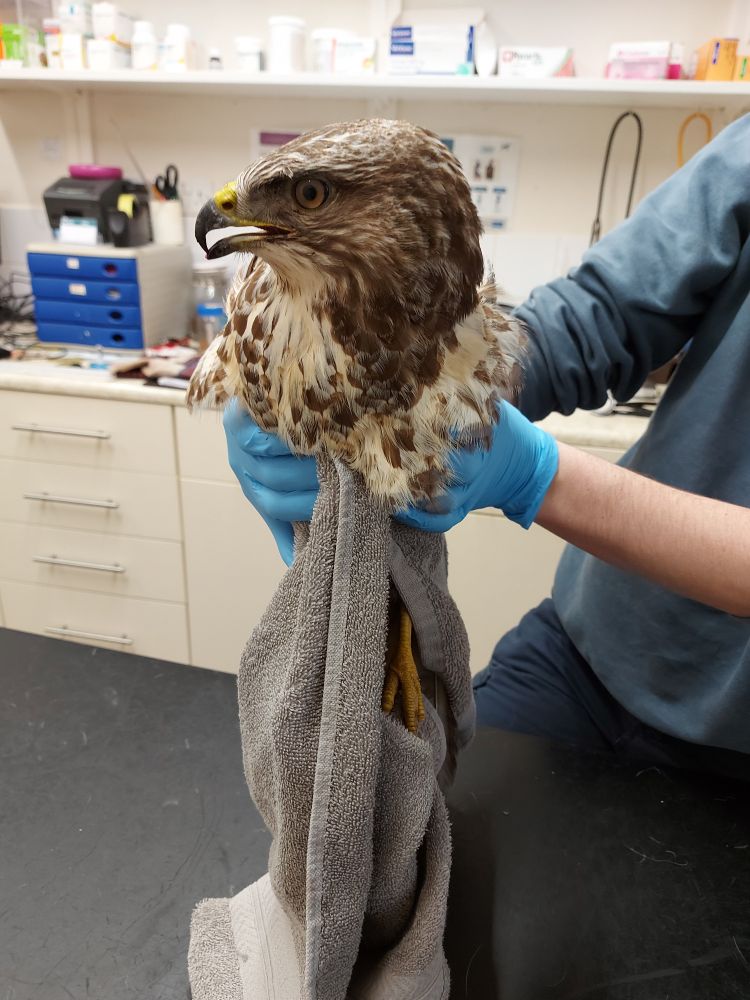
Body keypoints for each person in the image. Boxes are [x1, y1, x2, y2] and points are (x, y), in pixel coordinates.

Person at [222, 115, 750, 780]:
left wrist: (538, 475)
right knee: (422, 831)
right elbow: (601, 316)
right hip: (588, 653)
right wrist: (419, 372)